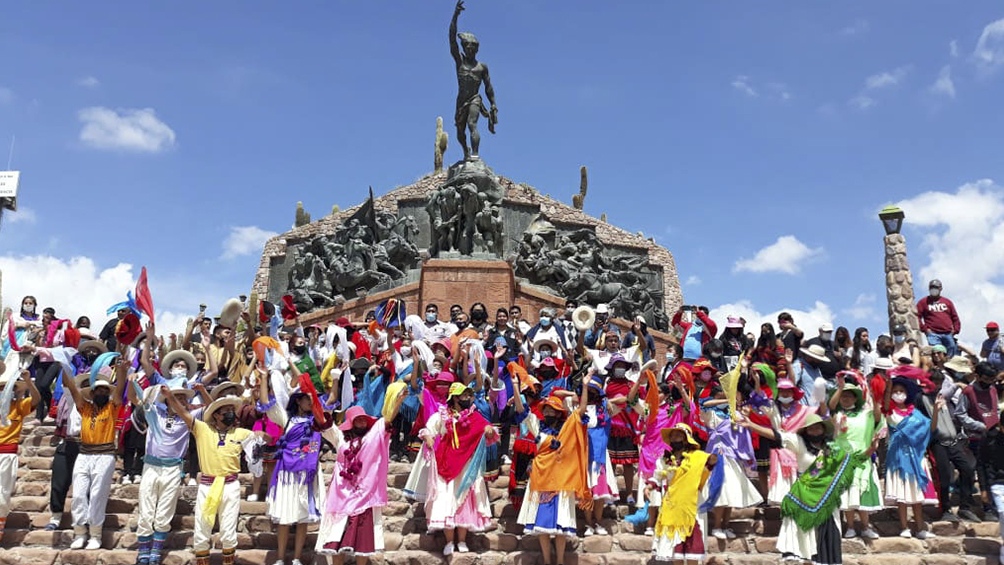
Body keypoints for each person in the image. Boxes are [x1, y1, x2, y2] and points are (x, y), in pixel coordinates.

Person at [162, 383, 269, 565]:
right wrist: (170, 396)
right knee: (202, 529)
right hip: (207, 484)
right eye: (225, 411)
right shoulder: (203, 429)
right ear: (216, 415)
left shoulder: (241, 432)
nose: (230, 414)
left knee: (228, 530)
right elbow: (183, 413)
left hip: (230, 485)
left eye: (231, 410)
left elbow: (265, 439)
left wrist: (261, 436)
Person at [260, 360, 334, 565]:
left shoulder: (317, 422)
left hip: (307, 470)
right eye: (306, 399)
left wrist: (335, 380)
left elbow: (331, 403)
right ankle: (281, 558)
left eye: (312, 399)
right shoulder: (287, 419)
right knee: (284, 517)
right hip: (286, 471)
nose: (311, 402)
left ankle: (297, 559)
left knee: (302, 517)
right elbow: (267, 404)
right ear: (298, 401)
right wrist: (264, 377)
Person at [126, 379, 205, 565]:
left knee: (164, 511)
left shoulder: (189, 416)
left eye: (183, 398)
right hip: (151, 466)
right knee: (146, 508)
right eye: (176, 397)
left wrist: (200, 390)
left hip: (173, 468)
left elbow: (210, 407)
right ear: (167, 399)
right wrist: (129, 379)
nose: (181, 401)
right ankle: (143, 550)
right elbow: (132, 397)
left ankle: (156, 551)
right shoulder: (155, 412)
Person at [419, 382, 498, 556]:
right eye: (463, 395)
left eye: (469, 395)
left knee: (463, 500)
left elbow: (489, 430)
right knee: (446, 499)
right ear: (454, 398)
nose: (467, 398)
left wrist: (488, 429)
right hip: (445, 462)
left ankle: (461, 540)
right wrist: (428, 437)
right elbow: (427, 429)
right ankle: (449, 541)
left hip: (466, 465)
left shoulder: (474, 416)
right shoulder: (442, 415)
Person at [61, 349, 129, 550]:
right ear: (92, 393)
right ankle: (80, 532)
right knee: (80, 494)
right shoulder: (85, 407)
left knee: (98, 494)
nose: (101, 393)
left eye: (104, 391)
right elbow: (73, 389)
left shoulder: (113, 407)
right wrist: (64, 367)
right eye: (97, 390)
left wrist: (122, 371)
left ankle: (95, 535)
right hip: (84, 454)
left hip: (105, 454)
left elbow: (121, 388)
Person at [517, 391, 592, 565]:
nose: (548, 413)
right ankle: (546, 560)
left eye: (552, 410)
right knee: (541, 525)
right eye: (546, 410)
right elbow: (522, 410)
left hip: (562, 480)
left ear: (559, 412)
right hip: (542, 479)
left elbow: (581, 410)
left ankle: (559, 561)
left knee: (561, 525)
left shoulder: (568, 428)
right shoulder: (536, 426)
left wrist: (585, 386)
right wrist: (515, 385)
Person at [316, 406, 393, 564]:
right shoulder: (340, 439)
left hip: (363, 494)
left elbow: (387, 420)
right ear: (351, 422)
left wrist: (398, 399)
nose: (362, 421)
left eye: (364, 418)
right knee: (335, 536)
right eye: (358, 419)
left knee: (362, 540)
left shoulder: (372, 437)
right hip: (340, 494)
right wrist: (317, 405)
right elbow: (326, 425)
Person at [651, 423, 718, 564]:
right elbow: (657, 477)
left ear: (687, 438)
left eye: (679, 435)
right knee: (676, 553)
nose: (675, 438)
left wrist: (715, 455)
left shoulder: (698, 457)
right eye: (673, 435)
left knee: (693, 552)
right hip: (672, 507)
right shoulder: (665, 459)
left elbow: (710, 462)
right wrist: (650, 486)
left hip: (692, 507)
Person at [883, 375, 936, 539]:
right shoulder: (889, 412)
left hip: (916, 456)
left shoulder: (917, 414)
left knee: (916, 496)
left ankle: (920, 528)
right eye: (895, 391)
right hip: (898, 456)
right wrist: (888, 387)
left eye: (901, 391)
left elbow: (930, 428)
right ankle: (904, 527)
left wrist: (938, 411)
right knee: (901, 494)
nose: (898, 394)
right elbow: (884, 406)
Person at [0, 361, 40, 542]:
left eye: (7, 388)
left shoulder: (19, 406)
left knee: (3, 493)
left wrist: (29, 382)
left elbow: (37, 400)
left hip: (7, 455)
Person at [917, 279, 961, 358]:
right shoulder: (923, 302)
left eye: (936, 287)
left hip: (948, 333)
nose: (934, 289)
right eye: (932, 287)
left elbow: (955, 317)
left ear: (940, 288)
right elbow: (917, 317)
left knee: (951, 353)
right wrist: (925, 329)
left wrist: (955, 330)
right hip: (933, 334)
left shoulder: (947, 302)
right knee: (937, 354)